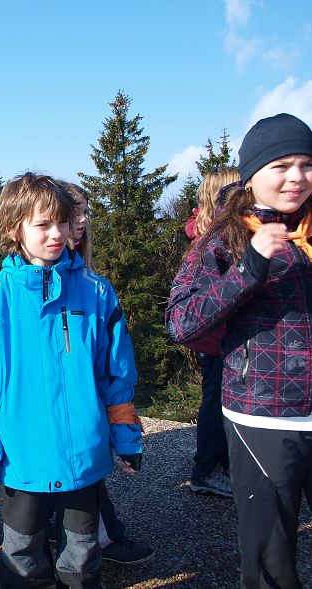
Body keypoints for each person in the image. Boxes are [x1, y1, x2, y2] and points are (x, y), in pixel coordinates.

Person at [0, 173, 143, 589]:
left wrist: (127, 436)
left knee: (82, 557)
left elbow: (116, 373)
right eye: (42, 225)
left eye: (62, 221)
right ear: (14, 229)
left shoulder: (97, 292)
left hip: (85, 454)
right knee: (22, 555)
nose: (57, 234)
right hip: (22, 455)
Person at [166, 113, 312, 588]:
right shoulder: (225, 238)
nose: (296, 177)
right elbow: (182, 321)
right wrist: (250, 267)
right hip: (263, 416)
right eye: (281, 166)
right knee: (271, 560)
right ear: (251, 177)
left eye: (307, 164)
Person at [53, 181, 154, 565]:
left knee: (85, 477)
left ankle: (100, 538)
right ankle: (101, 539)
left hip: (90, 400)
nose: (81, 220)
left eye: (85, 212)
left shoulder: (91, 282)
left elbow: (114, 364)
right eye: (74, 212)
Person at [182, 167, 240, 498]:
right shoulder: (214, 240)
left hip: (217, 338)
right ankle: (204, 471)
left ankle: (220, 464)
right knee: (217, 404)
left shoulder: (207, 232)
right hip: (219, 339)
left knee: (217, 401)